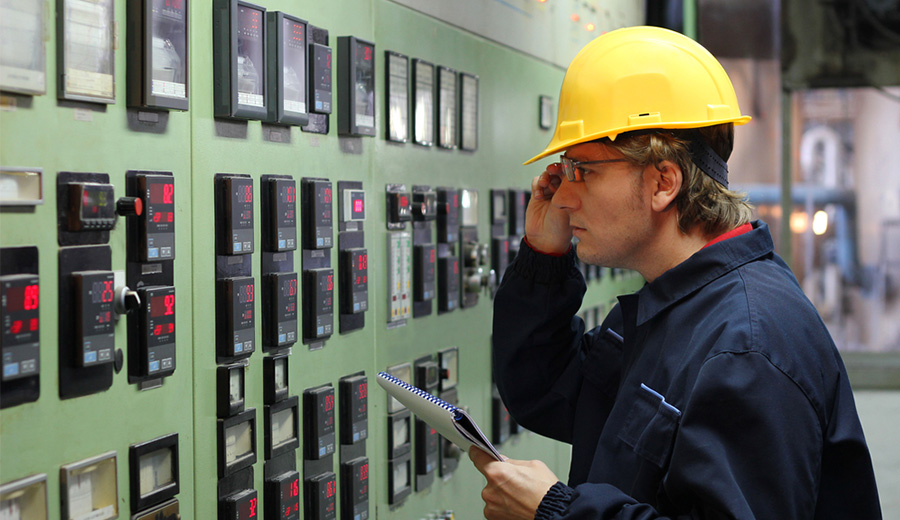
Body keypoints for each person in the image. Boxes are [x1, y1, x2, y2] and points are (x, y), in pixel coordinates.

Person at [471, 26, 882, 519]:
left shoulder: (746, 345)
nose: (561, 196)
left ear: (663, 181)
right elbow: (546, 391)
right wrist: (543, 256)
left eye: (583, 170)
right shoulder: (673, 306)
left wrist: (558, 512)